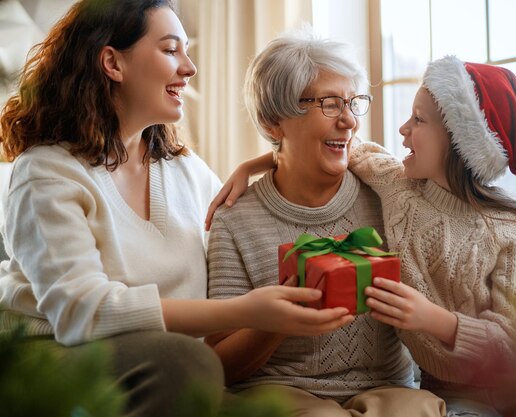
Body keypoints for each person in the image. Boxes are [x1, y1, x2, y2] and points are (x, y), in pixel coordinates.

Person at [0, 2, 354, 416]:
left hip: (168, 369)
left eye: (187, 51)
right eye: (171, 50)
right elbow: (82, 313)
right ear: (113, 62)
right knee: (186, 363)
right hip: (56, 359)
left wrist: (262, 162)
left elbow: (345, 157)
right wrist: (245, 311)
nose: (190, 68)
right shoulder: (46, 173)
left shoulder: (184, 170)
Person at [209, 56, 516, 417]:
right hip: (397, 390)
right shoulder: (396, 184)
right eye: (329, 103)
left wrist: (434, 319)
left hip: (484, 396)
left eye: (418, 119)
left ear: (459, 141)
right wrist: (255, 164)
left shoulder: (507, 227)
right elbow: (324, 146)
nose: (351, 121)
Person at [205, 29, 445, 417]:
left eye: (353, 103)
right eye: (330, 105)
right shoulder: (235, 220)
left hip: (385, 386)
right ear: (273, 122)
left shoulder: (387, 192)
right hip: (279, 391)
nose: (349, 120)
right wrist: (275, 322)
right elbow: (220, 366)